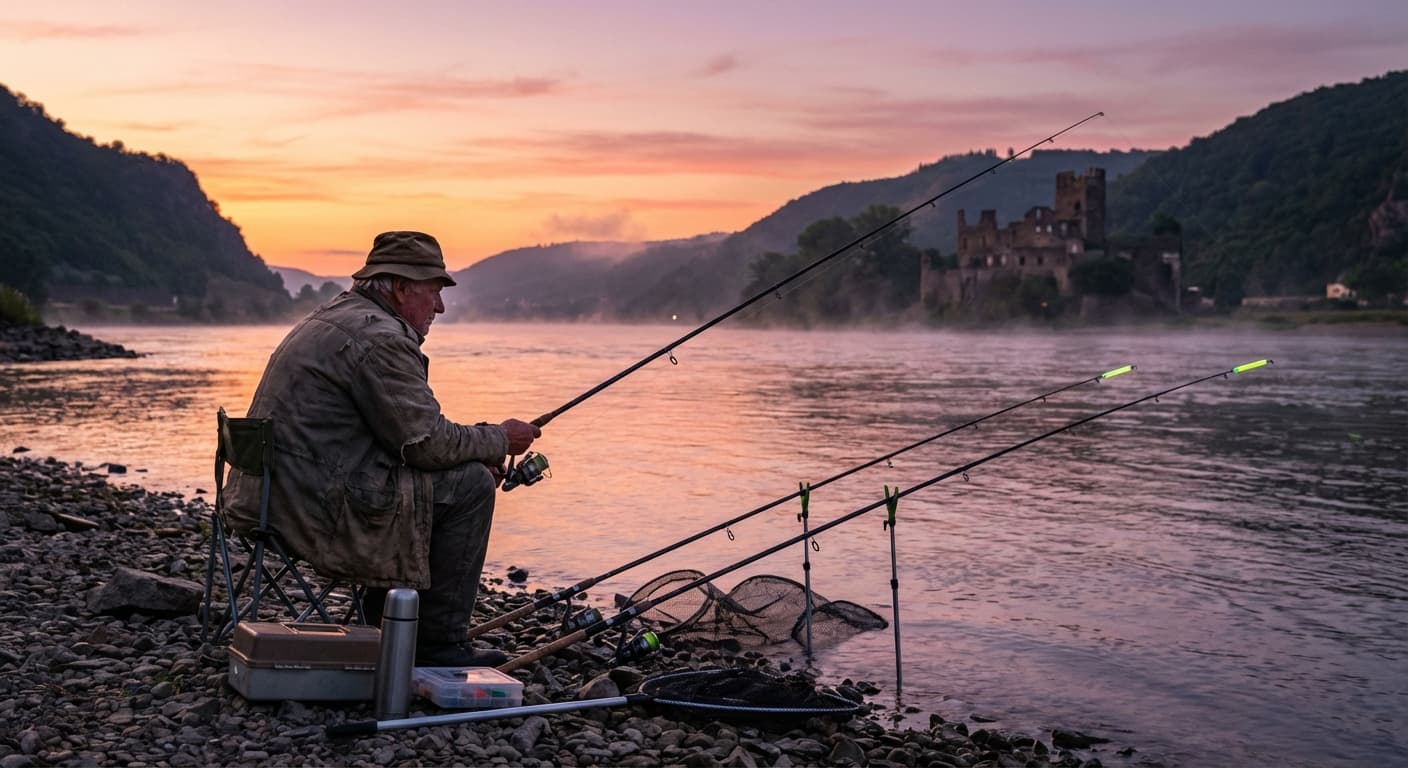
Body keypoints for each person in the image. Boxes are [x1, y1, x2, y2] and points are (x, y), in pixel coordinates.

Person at [225, 230, 540, 667]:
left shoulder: (334, 316)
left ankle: (391, 625)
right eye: (434, 292)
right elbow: (426, 444)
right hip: (311, 508)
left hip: (265, 498)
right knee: (470, 487)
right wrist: (500, 440)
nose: (441, 306)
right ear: (401, 287)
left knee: (454, 476)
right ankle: (437, 644)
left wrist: (475, 451)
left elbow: (401, 443)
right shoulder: (382, 339)